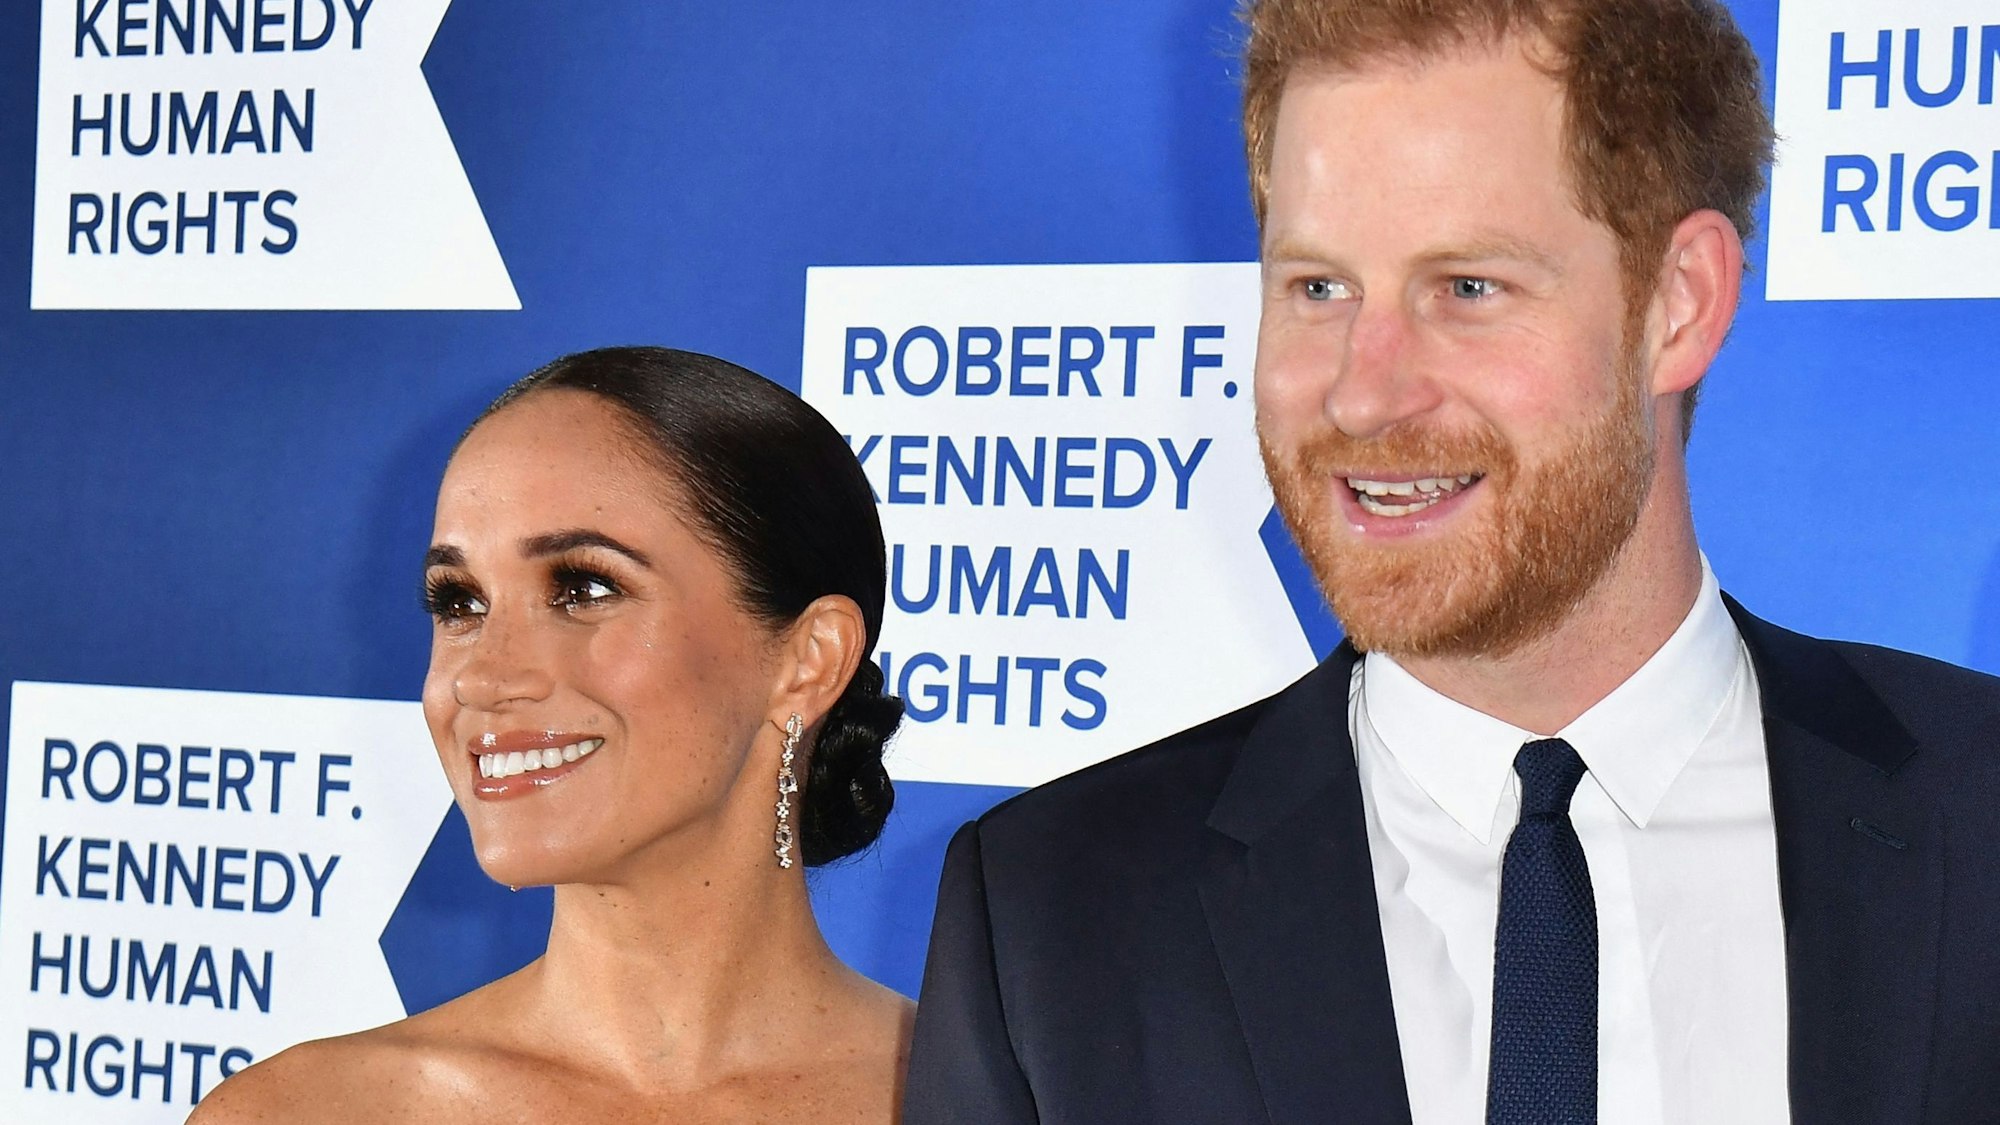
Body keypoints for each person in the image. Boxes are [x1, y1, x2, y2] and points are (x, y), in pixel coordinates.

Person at [903, 1, 2000, 1122]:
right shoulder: (1052, 916)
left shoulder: (1980, 812)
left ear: (1678, 305)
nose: (1359, 393)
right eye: (1316, 288)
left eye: (1466, 289)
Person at [192, 347, 914, 1123]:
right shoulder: (303, 1112)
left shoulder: (1000, 1093)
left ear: (809, 660)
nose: (480, 677)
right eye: (460, 601)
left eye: (583, 588)